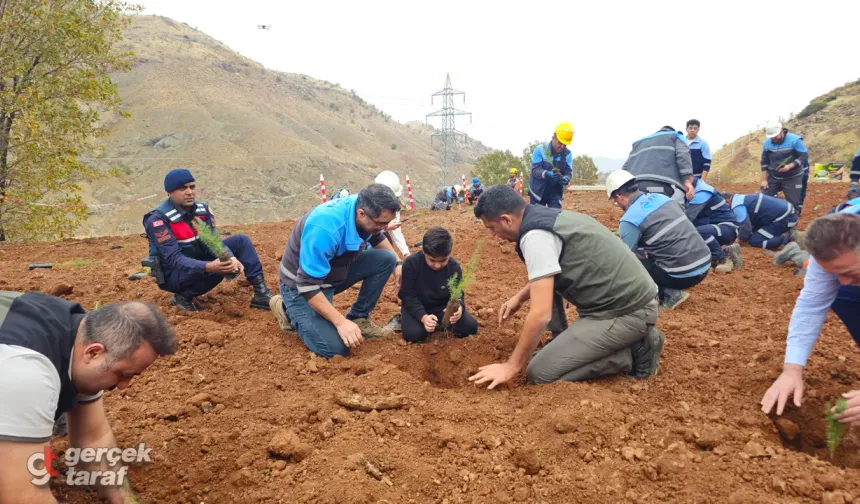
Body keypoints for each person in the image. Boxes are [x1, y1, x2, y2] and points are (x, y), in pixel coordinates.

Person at [469, 185, 662, 389]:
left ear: (506, 220)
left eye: (491, 227)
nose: (491, 235)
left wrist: (511, 366)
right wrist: (520, 297)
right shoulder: (544, 217)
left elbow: (540, 314)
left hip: (628, 311)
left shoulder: (535, 237)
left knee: (539, 372)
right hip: (621, 300)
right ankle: (563, 341)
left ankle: (632, 352)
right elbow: (548, 270)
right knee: (545, 286)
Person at [0, 292, 176, 504]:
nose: (122, 386)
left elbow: (94, 438)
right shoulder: (25, 370)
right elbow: (23, 496)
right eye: (122, 374)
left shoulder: (82, 336)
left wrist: (125, 499)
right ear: (94, 353)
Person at [269, 184, 402, 358]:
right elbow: (307, 285)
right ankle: (287, 309)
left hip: (332, 273)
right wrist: (340, 322)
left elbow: (376, 236)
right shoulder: (325, 229)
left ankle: (358, 318)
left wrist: (398, 264)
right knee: (335, 348)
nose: (385, 228)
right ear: (362, 214)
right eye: (382, 224)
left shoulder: (362, 208)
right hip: (300, 287)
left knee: (387, 259)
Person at [761, 211, 860, 429]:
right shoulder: (834, 238)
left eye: (849, 272)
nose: (842, 280)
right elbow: (811, 305)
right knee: (846, 295)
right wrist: (792, 369)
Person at [142, 169, 274, 312]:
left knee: (241, 240)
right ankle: (183, 296)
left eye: (192, 187)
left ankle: (261, 293)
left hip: (198, 261)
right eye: (182, 188)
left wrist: (230, 257)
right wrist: (209, 267)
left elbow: (214, 241)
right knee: (217, 268)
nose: (189, 192)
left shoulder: (202, 210)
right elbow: (174, 259)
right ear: (169, 192)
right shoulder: (158, 220)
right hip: (174, 274)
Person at [606, 170, 711, 310]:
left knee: (633, 261)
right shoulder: (664, 199)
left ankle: (668, 293)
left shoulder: (629, 219)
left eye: (614, 201)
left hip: (683, 275)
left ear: (618, 196)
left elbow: (624, 259)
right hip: (704, 265)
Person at [398, 227, 478, 343]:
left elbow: (458, 294)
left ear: (450, 253)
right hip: (417, 305)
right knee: (414, 334)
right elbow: (408, 296)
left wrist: (459, 308)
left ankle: (439, 324)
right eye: (432, 260)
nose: (437, 265)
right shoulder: (411, 264)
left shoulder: (454, 267)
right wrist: (423, 317)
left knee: (469, 327)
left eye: (443, 261)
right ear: (424, 252)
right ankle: (410, 319)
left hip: (442, 308)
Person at [622, 126, 695, 205]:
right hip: (662, 185)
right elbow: (683, 156)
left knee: (640, 212)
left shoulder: (639, 143)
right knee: (672, 212)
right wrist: (687, 180)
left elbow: (625, 167)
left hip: (636, 186)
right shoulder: (676, 136)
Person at [685, 178, 743, 273]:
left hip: (727, 227)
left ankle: (722, 258)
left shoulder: (702, 192)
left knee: (697, 232)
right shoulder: (689, 191)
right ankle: (728, 250)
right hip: (712, 228)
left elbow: (687, 219)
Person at [760, 121, 809, 213]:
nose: (774, 138)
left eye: (776, 136)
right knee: (764, 199)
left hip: (792, 176)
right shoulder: (766, 143)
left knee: (793, 203)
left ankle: (792, 220)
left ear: (782, 131)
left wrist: (789, 166)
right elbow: (764, 162)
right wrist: (764, 180)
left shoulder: (795, 140)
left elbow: (804, 156)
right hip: (773, 176)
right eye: (771, 137)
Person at [722, 192, 798, 250]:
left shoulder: (737, 206)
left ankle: (786, 238)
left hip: (785, 219)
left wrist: (737, 242)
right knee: (753, 233)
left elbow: (746, 229)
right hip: (786, 213)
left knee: (755, 241)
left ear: (727, 201)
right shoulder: (741, 198)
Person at [528, 122, 574, 208]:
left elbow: (568, 172)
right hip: (537, 190)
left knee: (555, 216)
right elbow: (535, 170)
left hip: (555, 191)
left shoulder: (568, 154)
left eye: (565, 144)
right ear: (553, 137)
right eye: (560, 143)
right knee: (536, 217)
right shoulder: (540, 150)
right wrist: (546, 174)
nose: (562, 147)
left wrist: (566, 178)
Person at [374, 171, 411, 259]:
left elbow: (396, 232)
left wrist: (406, 253)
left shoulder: (393, 207)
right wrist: (386, 228)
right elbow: (367, 234)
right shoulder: (367, 207)